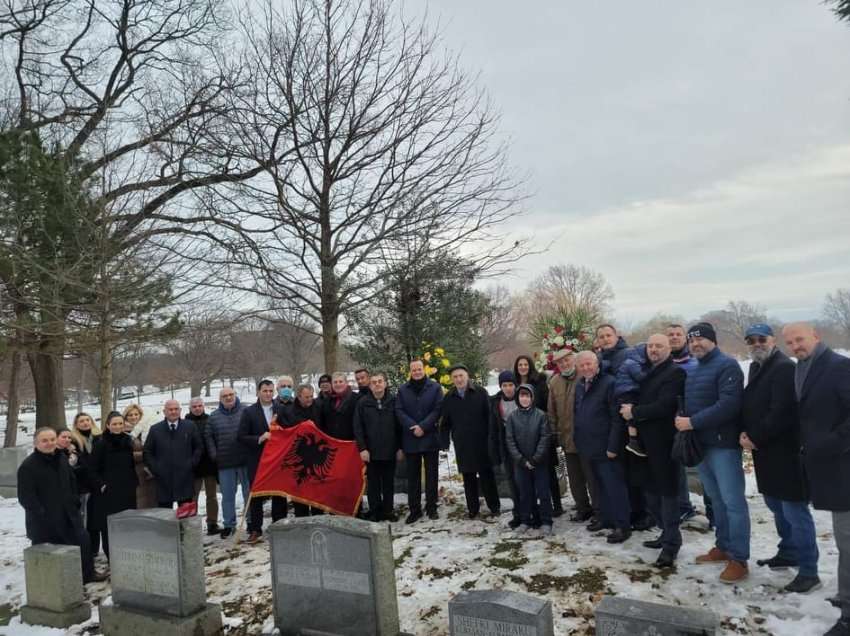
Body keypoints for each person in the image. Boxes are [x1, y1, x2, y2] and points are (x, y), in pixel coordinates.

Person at [740, 323, 819, 593]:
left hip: (786, 451)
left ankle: (809, 570)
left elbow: (782, 412)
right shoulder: (756, 366)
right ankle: (789, 551)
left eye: (761, 338)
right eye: (751, 340)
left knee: (795, 510)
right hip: (765, 452)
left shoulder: (784, 367)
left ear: (772, 340)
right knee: (775, 505)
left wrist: (755, 436)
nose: (756, 343)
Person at [783, 323, 850, 636]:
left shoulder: (839, 366)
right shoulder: (802, 368)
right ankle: (846, 595)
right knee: (842, 538)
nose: (796, 346)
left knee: (848, 540)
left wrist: (829, 444)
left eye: (800, 339)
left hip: (843, 464)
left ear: (816, 337)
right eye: (791, 342)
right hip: (827, 468)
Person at [675, 322, 749, 584]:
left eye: (700, 340)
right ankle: (723, 546)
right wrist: (682, 416)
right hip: (702, 445)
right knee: (716, 501)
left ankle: (739, 559)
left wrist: (692, 422)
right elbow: (691, 402)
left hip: (723, 445)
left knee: (733, 503)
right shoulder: (695, 369)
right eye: (691, 341)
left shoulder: (727, 365)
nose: (695, 344)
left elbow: (729, 404)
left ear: (713, 340)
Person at [620, 334, 686, 568]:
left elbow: (665, 406)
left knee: (667, 495)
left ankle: (671, 545)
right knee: (650, 493)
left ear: (669, 349)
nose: (654, 349)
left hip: (665, 444)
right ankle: (664, 534)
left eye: (659, 346)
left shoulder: (674, 373)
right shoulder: (649, 372)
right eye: (650, 346)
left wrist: (634, 412)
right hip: (645, 445)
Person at [18, 428, 104, 583]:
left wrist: (75, 501)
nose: (49, 443)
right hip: (46, 521)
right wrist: (42, 515)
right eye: (44, 441)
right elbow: (26, 498)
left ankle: (88, 575)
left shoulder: (61, 458)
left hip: (70, 513)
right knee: (56, 556)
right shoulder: (28, 466)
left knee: (83, 543)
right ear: (36, 443)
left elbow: (71, 481)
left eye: (52, 439)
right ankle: (60, 586)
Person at [574, 351, 631, 544]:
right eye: (582, 365)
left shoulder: (609, 383)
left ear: (597, 364)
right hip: (588, 446)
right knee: (599, 487)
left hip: (607, 447)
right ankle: (606, 519)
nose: (586, 368)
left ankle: (623, 526)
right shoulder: (580, 385)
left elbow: (617, 419)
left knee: (614, 487)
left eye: (589, 364)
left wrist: (613, 446)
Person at [440, 365, 500, 519]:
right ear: (452, 380)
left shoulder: (480, 392)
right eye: (455, 377)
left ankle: (494, 507)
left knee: (487, 476)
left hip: (481, 442)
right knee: (468, 478)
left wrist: (491, 438)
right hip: (463, 444)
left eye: (461, 376)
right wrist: (444, 441)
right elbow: (445, 422)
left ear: (467, 376)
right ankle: (473, 509)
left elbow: (489, 417)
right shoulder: (449, 397)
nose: (459, 379)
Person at [548, 348, 599, 524]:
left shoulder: (583, 376)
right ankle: (583, 508)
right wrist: (554, 432)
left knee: (592, 477)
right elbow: (551, 409)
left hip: (586, 438)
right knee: (575, 479)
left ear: (574, 360)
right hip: (567, 438)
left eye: (567, 360)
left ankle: (599, 511)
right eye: (560, 362)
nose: (564, 364)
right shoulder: (554, 381)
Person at [396, 359, 444, 523]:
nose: (416, 372)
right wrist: (412, 426)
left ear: (425, 370)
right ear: (410, 371)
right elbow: (399, 410)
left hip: (430, 437)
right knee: (413, 477)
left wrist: (423, 426)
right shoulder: (402, 390)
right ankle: (414, 510)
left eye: (419, 369)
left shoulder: (435, 388)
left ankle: (432, 507)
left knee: (432, 476)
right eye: (413, 370)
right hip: (411, 439)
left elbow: (438, 409)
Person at [239, 380, 287, 543]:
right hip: (257, 459)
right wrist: (260, 438)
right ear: (258, 392)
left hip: (277, 459)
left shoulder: (281, 409)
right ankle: (255, 529)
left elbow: (289, 431)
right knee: (256, 495)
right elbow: (241, 436)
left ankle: (279, 525)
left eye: (270, 391)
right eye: (265, 391)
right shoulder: (249, 412)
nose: (268, 394)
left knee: (278, 494)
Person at [514, 355, 562, 517]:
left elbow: (548, 404)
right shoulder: (514, 383)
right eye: (520, 364)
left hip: (540, 428)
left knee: (547, 470)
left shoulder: (540, 381)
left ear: (530, 366)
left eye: (525, 364)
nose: (522, 367)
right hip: (522, 433)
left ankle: (556, 504)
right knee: (528, 474)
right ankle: (533, 506)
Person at [354, 372, 403, 522]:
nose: (377, 384)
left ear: (385, 383)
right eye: (374, 382)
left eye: (380, 381)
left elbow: (400, 426)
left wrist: (400, 448)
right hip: (371, 452)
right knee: (373, 484)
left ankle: (388, 510)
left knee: (388, 483)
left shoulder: (394, 401)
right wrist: (362, 448)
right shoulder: (363, 403)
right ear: (370, 385)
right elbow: (358, 427)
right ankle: (375, 510)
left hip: (390, 450)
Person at [89, 412, 138, 560]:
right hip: (108, 492)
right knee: (108, 527)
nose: (118, 427)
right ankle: (113, 559)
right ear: (108, 425)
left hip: (127, 489)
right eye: (114, 424)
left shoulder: (128, 441)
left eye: (120, 424)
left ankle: (127, 555)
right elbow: (92, 468)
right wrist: (101, 485)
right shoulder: (101, 443)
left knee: (127, 524)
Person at [505, 384, 553, 536]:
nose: (524, 399)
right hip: (521, 463)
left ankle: (546, 521)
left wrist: (535, 459)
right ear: (518, 398)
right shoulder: (512, 417)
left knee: (543, 492)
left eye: (527, 396)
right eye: (521, 396)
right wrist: (521, 459)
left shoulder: (541, 415)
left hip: (539, 462)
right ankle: (526, 520)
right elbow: (510, 440)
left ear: (532, 397)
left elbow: (545, 438)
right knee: (525, 493)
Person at [667, 323, 700, 523]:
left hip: (690, 420)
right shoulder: (663, 362)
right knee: (674, 466)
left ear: (685, 338)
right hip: (667, 421)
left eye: (678, 334)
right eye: (670, 335)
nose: (674, 337)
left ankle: (690, 507)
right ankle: (680, 505)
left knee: (691, 464)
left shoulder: (695, 363)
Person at [143, 399, 203, 509]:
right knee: (165, 516)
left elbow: (198, 447)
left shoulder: (190, 426)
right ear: (164, 412)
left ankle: (185, 527)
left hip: (185, 478)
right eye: (170, 409)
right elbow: (147, 451)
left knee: (186, 516)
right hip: (163, 480)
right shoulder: (155, 429)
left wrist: (191, 464)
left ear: (180, 410)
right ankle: (168, 527)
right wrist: (156, 468)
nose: (173, 412)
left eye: (176, 409)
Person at [206, 387, 249, 539]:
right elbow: (208, 437)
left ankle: (251, 522)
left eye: (231, 394)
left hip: (245, 460)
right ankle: (229, 524)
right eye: (225, 396)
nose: (228, 397)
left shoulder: (246, 410)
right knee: (228, 496)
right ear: (220, 399)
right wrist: (214, 455)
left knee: (248, 493)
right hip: (225, 462)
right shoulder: (214, 416)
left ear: (235, 395)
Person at [490, 371, 522, 528]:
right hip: (505, 447)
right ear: (500, 386)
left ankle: (530, 510)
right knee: (512, 481)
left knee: (524, 481)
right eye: (504, 385)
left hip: (523, 447)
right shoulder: (496, 402)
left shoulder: (523, 397)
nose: (508, 388)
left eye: (510, 385)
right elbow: (493, 429)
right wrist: (495, 452)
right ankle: (518, 512)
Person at [185, 397, 219, 535]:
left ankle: (212, 523)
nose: (197, 408)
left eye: (200, 406)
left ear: (203, 406)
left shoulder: (210, 420)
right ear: (190, 408)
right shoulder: (185, 422)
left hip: (209, 464)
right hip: (194, 466)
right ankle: (192, 524)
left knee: (212, 497)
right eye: (194, 406)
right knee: (193, 497)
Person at [69, 413, 100, 533]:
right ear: (76, 425)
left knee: (97, 518)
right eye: (81, 421)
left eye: (87, 420)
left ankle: (95, 548)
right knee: (86, 518)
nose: (85, 423)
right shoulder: (74, 441)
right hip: (84, 485)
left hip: (98, 483)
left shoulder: (99, 437)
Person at [123, 403, 157, 509]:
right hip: (134, 472)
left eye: (136, 414)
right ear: (125, 417)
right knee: (139, 502)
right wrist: (144, 455)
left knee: (152, 499)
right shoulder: (124, 432)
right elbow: (124, 454)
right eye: (130, 415)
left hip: (150, 471)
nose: (133, 417)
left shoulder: (147, 428)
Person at [322, 372, 359, 440]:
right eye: (335, 382)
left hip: (351, 442)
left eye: (340, 381)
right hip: (332, 442)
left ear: (346, 383)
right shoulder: (327, 401)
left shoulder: (356, 399)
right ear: (332, 384)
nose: (338, 384)